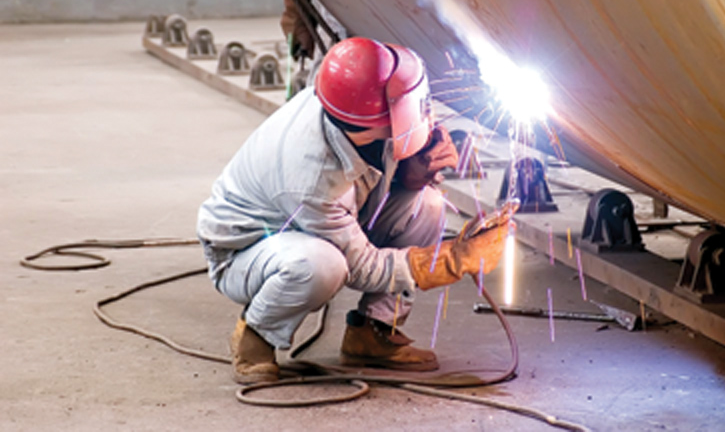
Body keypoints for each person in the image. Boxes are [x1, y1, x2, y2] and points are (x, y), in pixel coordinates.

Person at [197, 37, 510, 384]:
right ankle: (256, 336)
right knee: (322, 266)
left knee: (427, 205)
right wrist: (450, 260)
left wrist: (409, 171)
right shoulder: (312, 177)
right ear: (382, 116)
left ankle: (373, 333)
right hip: (249, 250)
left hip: (318, 222)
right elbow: (361, 268)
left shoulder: (353, 109)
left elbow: (378, 161)